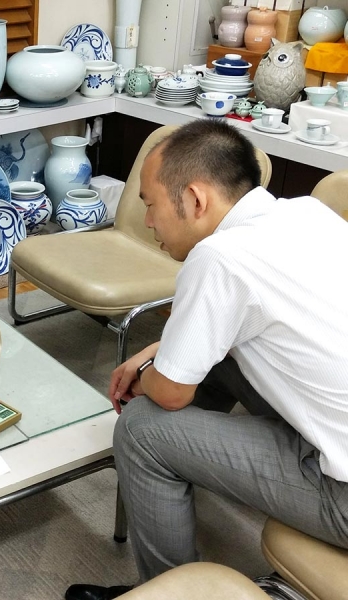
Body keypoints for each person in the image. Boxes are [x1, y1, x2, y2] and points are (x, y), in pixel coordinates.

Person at [66, 120, 348, 600]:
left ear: (196, 200)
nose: (148, 221)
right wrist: (161, 353)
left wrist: (151, 376)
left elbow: (171, 393)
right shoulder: (308, 213)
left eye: (150, 205)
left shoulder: (220, 256)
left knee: (141, 429)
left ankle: (169, 590)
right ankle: (180, 468)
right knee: (215, 361)